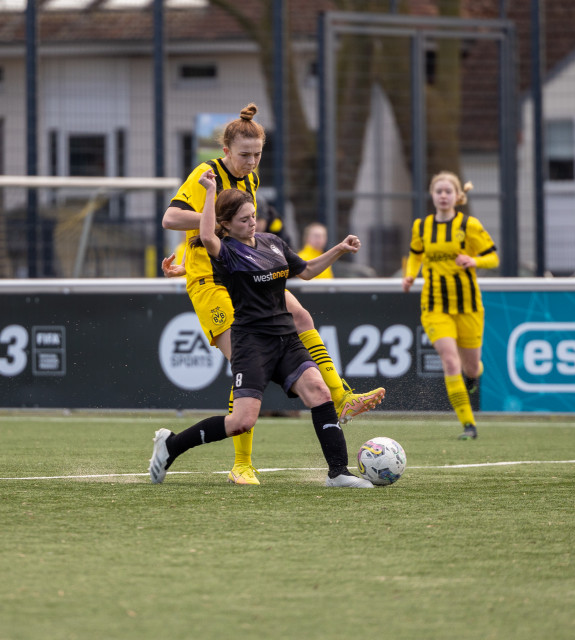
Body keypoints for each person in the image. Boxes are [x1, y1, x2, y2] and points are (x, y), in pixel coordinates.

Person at [161, 103, 385, 485]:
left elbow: (237, 236)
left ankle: (340, 397)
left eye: (258, 155)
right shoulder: (206, 174)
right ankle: (241, 463)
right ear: (226, 150)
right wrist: (210, 229)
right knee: (241, 363)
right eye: (244, 155)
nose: (251, 162)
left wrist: (206, 241)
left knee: (301, 316)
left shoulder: (249, 179)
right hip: (211, 282)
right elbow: (172, 218)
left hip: (243, 271)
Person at [402, 171, 499, 440]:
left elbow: (493, 257)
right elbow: (415, 255)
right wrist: (410, 275)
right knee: (449, 359)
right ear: (432, 195)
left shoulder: (469, 225)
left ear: (457, 196)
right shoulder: (422, 226)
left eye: (448, 191)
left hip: (468, 306)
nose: (443, 196)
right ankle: (469, 425)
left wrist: (474, 261)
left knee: (471, 367)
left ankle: (473, 376)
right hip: (435, 306)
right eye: (439, 191)